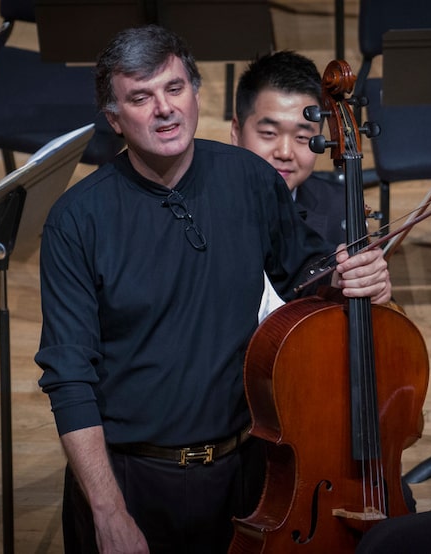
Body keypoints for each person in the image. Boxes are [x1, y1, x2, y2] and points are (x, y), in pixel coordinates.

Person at [34, 25, 392, 553]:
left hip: (245, 474)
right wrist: (107, 512)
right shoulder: (75, 221)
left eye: (174, 89)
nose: (164, 109)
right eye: (140, 97)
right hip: (133, 480)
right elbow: (69, 381)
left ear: (196, 93)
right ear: (114, 119)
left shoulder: (250, 178)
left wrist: (347, 280)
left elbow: (305, 279)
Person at [230, 50, 347, 319]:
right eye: (269, 133)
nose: (285, 151)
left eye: (303, 137)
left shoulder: (339, 207)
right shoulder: (200, 201)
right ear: (236, 132)